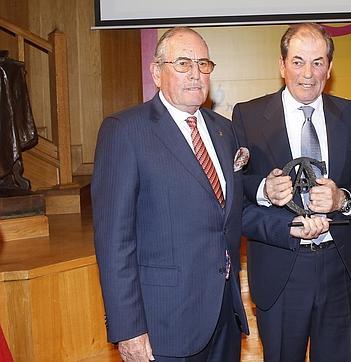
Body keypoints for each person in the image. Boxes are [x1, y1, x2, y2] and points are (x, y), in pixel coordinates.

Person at [92, 27, 250, 361]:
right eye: (183, 63)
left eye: (203, 64)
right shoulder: (126, 131)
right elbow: (113, 240)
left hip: (224, 316)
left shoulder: (224, 131)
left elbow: (227, 217)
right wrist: (128, 328)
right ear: (156, 72)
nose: (196, 73)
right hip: (165, 324)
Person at [233, 23, 351, 362]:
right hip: (280, 268)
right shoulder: (248, 116)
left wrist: (342, 199)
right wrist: (264, 190)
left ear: (329, 67)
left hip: (337, 268)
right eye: (298, 62)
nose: (308, 73)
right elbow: (233, 193)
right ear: (281, 66)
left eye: (318, 62)